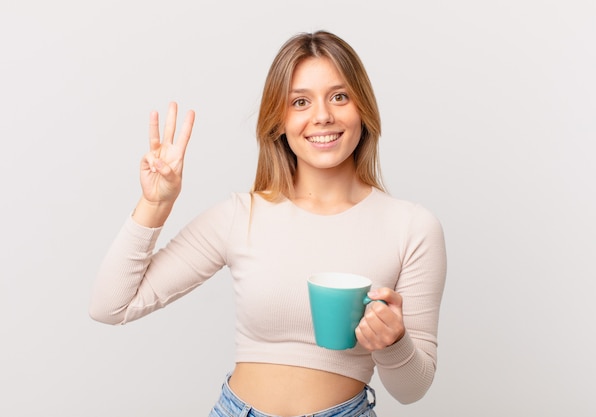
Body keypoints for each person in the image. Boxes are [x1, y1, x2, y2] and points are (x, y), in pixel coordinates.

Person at [90, 30, 447, 417]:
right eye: (300, 102)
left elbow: (413, 389)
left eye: (339, 96)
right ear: (278, 121)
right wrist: (154, 204)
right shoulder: (240, 216)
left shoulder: (411, 227)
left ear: (363, 108)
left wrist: (393, 341)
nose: (322, 115)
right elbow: (111, 305)